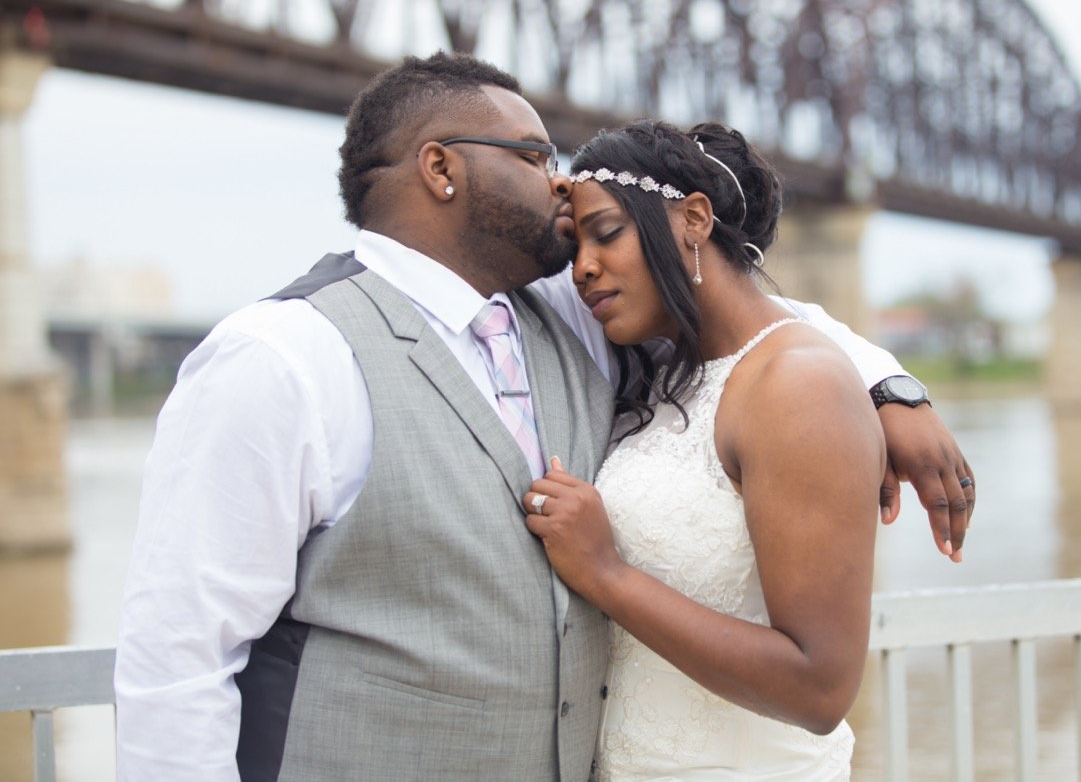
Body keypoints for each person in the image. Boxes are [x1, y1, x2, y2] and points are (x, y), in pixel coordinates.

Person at [113, 52, 973, 781]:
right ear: (442, 168)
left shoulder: (568, 316)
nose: (560, 182)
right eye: (533, 155)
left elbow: (738, 313)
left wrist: (887, 385)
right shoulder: (282, 357)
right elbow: (176, 664)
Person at [521, 120, 889, 779]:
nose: (582, 267)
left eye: (606, 233)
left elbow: (821, 688)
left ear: (693, 219)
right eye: (575, 244)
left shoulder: (799, 383)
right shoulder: (670, 373)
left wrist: (606, 573)